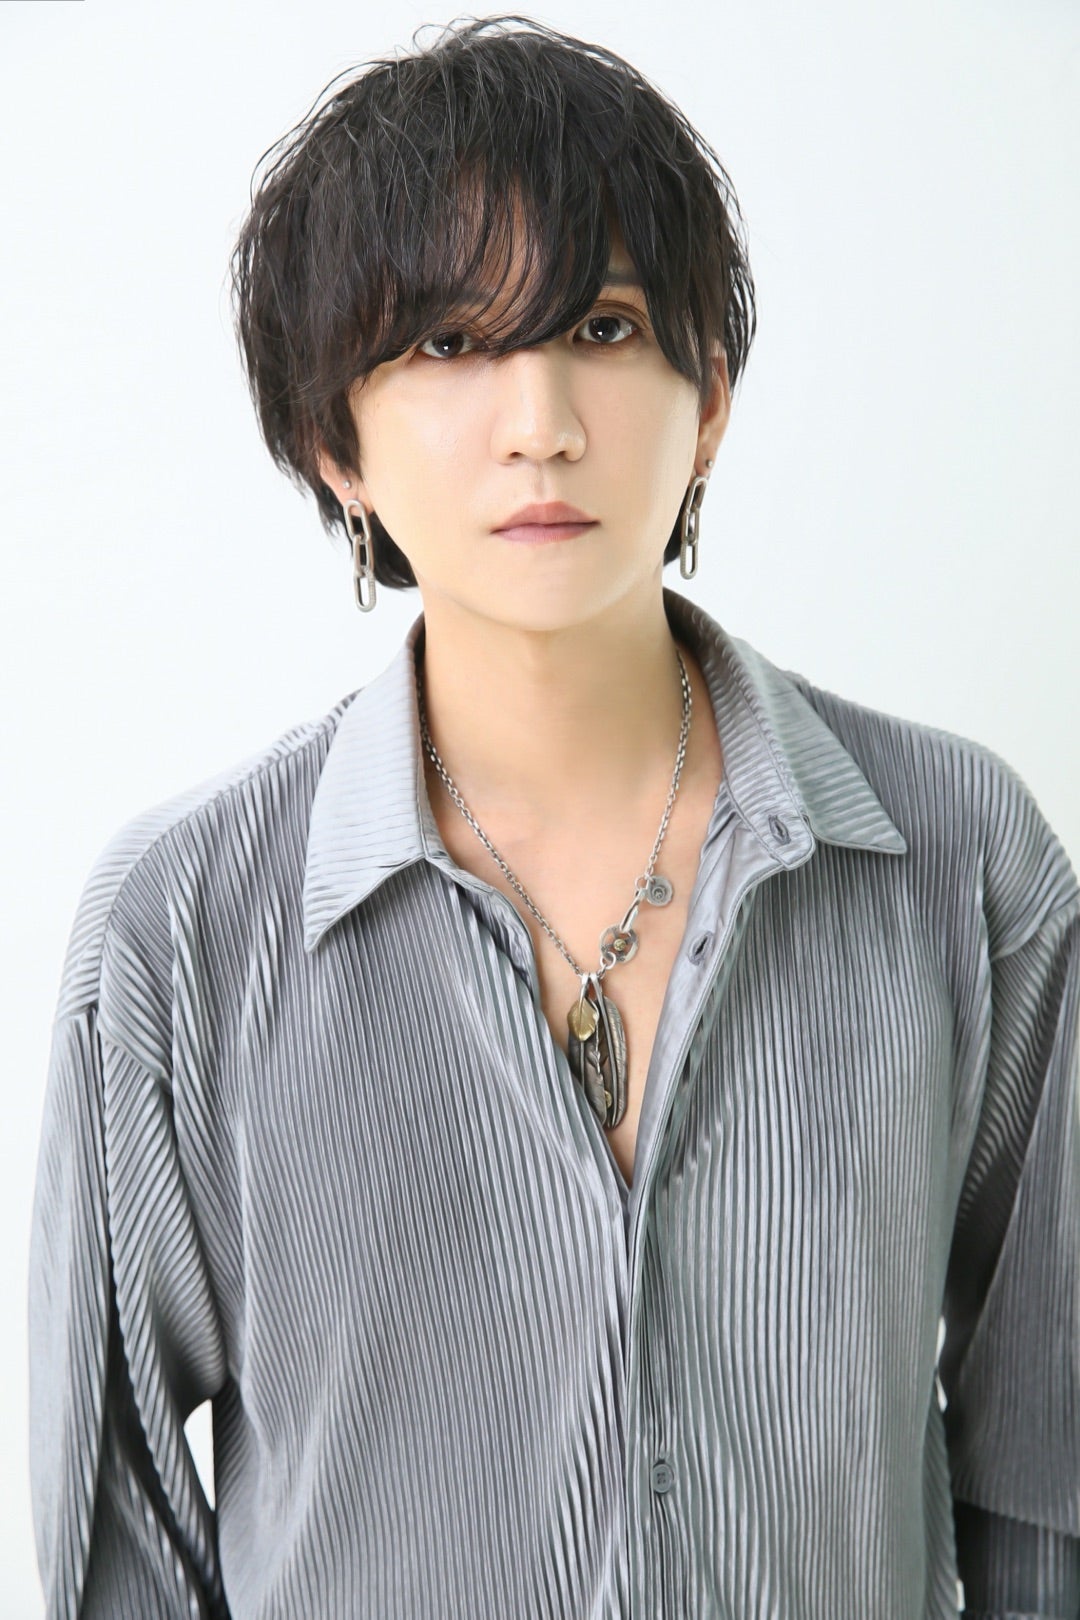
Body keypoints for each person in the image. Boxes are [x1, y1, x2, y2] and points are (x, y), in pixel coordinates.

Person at [28, 14, 1079, 1619]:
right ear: (332, 439)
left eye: (603, 323)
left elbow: (1047, 1476)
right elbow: (118, 1543)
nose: (542, 421)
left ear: (708, 397)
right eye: (451, 344)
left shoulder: (960, 858)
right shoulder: (182, 931)